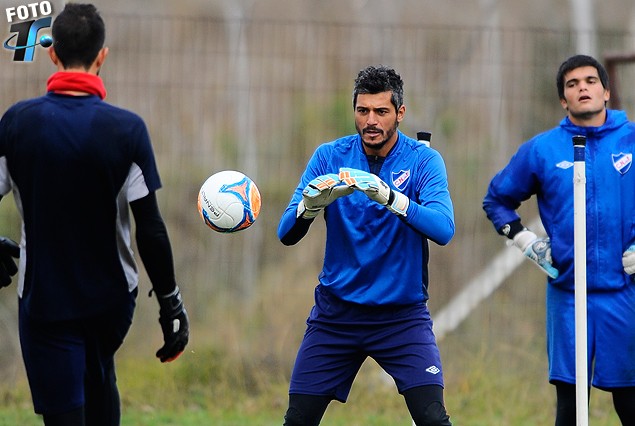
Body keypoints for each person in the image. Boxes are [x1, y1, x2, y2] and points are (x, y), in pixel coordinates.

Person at [0, 4, 189, 425]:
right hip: (112, 304)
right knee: (99, 376)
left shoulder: (16, 124)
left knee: (69, 408)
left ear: (52, 53)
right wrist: (171, 302)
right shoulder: (128, 129)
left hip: (45, 301)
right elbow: (151, 228)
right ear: (102, 56)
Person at [278, 65, 455, 426]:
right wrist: (309, 207)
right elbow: (286, 233)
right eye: (363, 111)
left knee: (433, 419)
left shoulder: (423, 160)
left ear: (400, 113)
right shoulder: (329, 157)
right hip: (336, 316)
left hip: (401, 317)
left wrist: (392, 198)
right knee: (297, 421)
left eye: (381, 111)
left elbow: (443, 229)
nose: (370, 120)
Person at [483, 54, 635, 425]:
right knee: (569, 408)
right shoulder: (542, 149)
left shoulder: (631, 139)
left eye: (589, 80)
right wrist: (524, 241)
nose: (582, 87)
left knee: (631, 403)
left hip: (626, 291)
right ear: (563, 100)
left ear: (606, 91)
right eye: (572, 84)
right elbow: (497, 199)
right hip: (568, 294)